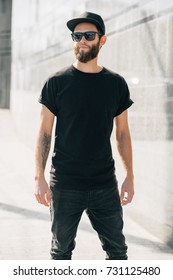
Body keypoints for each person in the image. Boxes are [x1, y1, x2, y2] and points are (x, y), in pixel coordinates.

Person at [34, 11, 134, 260]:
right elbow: (44, 133)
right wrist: (39, 177)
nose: (82, 40)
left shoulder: (116, 84)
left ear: (102, 40)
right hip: (65, 184)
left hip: (104, 184)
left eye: (89, 35)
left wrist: (129, 176)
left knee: (118, 252)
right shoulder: (56, 83)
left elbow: (122, 134)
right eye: (77, 35)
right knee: (61, 252)